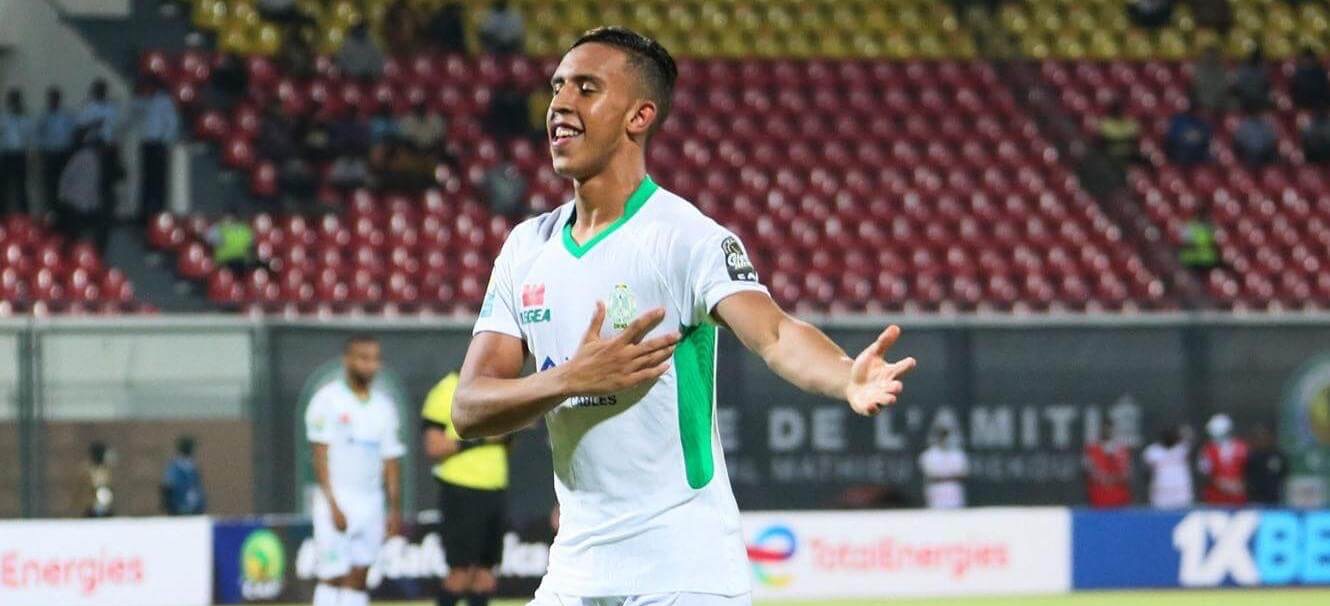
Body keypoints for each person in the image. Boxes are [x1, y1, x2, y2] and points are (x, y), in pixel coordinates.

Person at [452, 27, 917, 605]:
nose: (560, 104)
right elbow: (468, 409)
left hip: (684, 570)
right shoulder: (527, 248)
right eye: (557, 87)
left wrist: (845, 375)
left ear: (639, 115)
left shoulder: (684, 238)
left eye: (586, 88)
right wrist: (570, 379)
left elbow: (774, 333)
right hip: (576, 570)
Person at [305, 335, 405, 606]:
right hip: (337, 497)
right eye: (363, 358)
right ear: (348, 360)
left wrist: (394, 509)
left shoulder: (384, 407)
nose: (370, 365)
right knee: (332, 574)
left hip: (371, 502)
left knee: (360, 575)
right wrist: (332, 504)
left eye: (375, 359)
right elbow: (319, 457)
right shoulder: (327, 400)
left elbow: (391, 461)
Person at [422, 372, 511, 606]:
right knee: (461, 574)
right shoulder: (447, 389)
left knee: (485, 576)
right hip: (461, 491)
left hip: (495, 489)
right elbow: (434, 446)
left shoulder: (499, 389)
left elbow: (505, 443)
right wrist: (481, 439)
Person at [134, 78, 181, 222]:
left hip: (158, 144)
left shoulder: (164, 101)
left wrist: (164, 141)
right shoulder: (145, 101)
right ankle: (145, 212)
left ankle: (158, 211)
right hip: (147, 144)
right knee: (146, 180)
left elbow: (172, 123)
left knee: (158, 180)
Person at [56, 129, 108, 253]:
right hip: (78, 204)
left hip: (75, 203)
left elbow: (65, 178)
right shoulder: (89, 158)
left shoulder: (81, 156)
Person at [37, 87, 76, 212]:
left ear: (59, 99)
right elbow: (38, 135)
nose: (53, 100)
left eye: (55, 98)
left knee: (66, 184)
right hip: (49, 154)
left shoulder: (67, 116)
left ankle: (65, 211)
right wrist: (41, 152)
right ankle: (51, 211)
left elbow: (72, 134)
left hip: (64, 154)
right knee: (49, 185)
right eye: (51, 98)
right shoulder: (43, 116)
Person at [1198, 413, 1249, 506]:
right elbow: (1204, 473)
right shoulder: (1207, 450)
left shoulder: (1242, 447)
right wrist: (1219, 482)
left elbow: (1251, 470)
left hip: (1238, 497)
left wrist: (1242, 484)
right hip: (1214, 498)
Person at [1083, 418, 1133, 508]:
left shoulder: (1122, 450)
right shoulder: (1091, 450)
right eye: (1104, 428)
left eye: (1109, 428)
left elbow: (1126, 473)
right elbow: (1090, 472)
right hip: (1098, 498)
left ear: (1113, 430)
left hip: (1119, 498)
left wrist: (1111, 479)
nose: (1106, 431)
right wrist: (1104, 478)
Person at [1143, 425, 1193, 509]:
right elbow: (1145, 471)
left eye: (1171, 435)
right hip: (1161, 492)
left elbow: (1190, 437)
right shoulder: (1152, 451)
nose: (1169, 437)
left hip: (1181, 492)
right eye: (1167, 435)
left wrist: (1185, 432)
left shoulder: (1182, 448)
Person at [918, 427, 968, 509]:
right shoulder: (928, 455)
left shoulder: (958, 454)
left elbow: (963, 474)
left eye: (946, 436)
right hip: (936, 492)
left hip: (954, 492)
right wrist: (949, 475)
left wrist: (943, 476)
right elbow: (929, 475)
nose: (944, 439)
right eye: (941, 436)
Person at [0, 89, 33, 214]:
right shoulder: (3, 117)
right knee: (4, 185)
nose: (13, 103)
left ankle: (24, 213)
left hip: (20, 154)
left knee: (21, 185)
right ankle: (3, 213)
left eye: (15, 100)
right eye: (11, 100)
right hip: (6, 154)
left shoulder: (25, 118)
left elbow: (30, 137)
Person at [160, 435, 206, 515]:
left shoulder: (193, 468)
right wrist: (170, 506)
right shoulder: (174, 468)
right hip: (178, 508)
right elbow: (168, 486)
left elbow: (197, 487)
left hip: (194, 508)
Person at [1245, 425, 1287, 505]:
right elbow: (1247, 476)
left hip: (1274, 499)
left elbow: (1284, 474)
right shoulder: (1251, 457)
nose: (1263, 440)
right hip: (1255, 499)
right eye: (1259, 437)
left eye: (1265, 436)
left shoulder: (1277, 456)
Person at [75, 441, 115, 517]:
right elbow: (81, 491)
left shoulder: (106, 470)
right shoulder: (86, 471)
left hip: (105, 507)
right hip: (90, 509)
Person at [1097, 99, 1140, 165]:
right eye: (1116, 110)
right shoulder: (1106, 124)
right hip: (1111, 156)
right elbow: (1101, 141)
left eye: (1121, 109)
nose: (1119, 112)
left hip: (1129, 156)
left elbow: (1136, 138)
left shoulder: (1132, 123)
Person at [1191, 45, 1230, 113]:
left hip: (1219, 104)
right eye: (1207, 56)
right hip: (1201, 104)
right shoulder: (1198, 70)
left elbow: (1224, 88)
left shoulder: (1222, 70)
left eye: (1212, 56)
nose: (1210, 58)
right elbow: (1196, 87)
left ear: (1217, 57)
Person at [1233, 48, 1270, 112]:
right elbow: (1239, 85)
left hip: (1258, 97)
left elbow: (1266, 84)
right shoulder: (1243, 68)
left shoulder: (1263, 68)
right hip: (1247, 97)